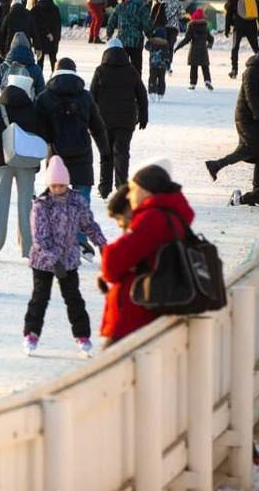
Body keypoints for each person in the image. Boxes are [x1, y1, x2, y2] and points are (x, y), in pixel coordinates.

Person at [99, 162, 194, 346]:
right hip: (149, 313)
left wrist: (114, 250)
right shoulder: (173, 216)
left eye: (133, 189)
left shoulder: (152, 219)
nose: (128, 195)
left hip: (135, 317)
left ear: (146, 191)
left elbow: (111, 264)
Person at [23, 155, 107, 357]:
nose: (58, 189)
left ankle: (83, 336)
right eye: (54, 186)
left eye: (61, 185)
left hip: (68, 261)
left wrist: (101, 243)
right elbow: (40, 238)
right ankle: (31, 334)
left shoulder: (76, 201)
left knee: (73, 298)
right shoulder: (41, 205)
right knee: (40, 298)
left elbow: (88, 225)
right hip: (43, 262)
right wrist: (54, 260)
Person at [0, 75, 42, 258]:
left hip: (1, 161)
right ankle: (29, 247)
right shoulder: (34, 110)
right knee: (26, 205)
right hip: (27, 162)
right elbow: (43, 135)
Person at [206, 42, 259, 191]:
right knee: (250, 149)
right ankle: (216, 165)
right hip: (246, 117)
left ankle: (257, 189)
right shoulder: (252, 71)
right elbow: (250, 97)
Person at [36, 57, 111, 205]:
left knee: (57, 210)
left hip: (56, 158)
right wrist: (105, 151)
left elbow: (38, 130)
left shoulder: (44, 98)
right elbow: (98, 127)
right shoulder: (85, 96)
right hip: (82, 157)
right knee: (81, 211)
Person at [90, 38, 148, 197]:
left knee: (105, 153)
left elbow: (91, 97)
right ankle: (122, 186)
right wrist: (143, 115)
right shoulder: (131, 70)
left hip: (103, 121)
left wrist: (90, 120)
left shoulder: (100, 71)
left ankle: (104, 188)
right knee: (122, 152)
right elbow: (142, 94)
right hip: (126, 120)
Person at [0, 31, 44, 107]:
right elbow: (40, 94)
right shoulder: (36, 69)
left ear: (12, 48)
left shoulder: (3, 67)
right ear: (28, 47)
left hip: (6, 109)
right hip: (28, 110)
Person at [106, 0, 153, 79]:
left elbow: (111, 21)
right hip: (136, 42)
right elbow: (147, 25)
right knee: (136, 67)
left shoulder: (121, 6)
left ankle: (121, 85)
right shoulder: (142, 8)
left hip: (121, 42)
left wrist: (109, 34)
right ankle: (136, 87)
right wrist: (150, 36)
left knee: (121, 65)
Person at [225, 0, 259, 79]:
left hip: (239, 26)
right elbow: (258, 13)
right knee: (255, 48)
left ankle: (234, 69)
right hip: (251, 25)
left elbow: (228, 14)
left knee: (235, 48)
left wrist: (227, 29)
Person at [173, 9, 214, 91]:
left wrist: (178, 47)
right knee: (205, 67)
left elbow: (186, 39)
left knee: (193, 68)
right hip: (203, 50)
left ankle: (192, 84)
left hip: (194, 50)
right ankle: (207, 81)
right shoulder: (205, 27)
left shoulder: (191, 26)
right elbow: (211, 38)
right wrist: (209, 44)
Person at [0, 0, 34, 67]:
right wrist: (38, 47)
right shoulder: (28, 16)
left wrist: (0, 49)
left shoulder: (8, 16)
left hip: (10, 48)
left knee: (10, 68)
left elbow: (2, 34)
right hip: (26, 46)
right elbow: (34, 32)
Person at [31, 0, 62, 73]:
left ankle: (39, 81)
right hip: (52, 40)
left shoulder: (35, 9)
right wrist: (56, 38)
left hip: (39, 39)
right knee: (53, 60)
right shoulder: (55, 9)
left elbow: (33, 25)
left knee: (39, 61)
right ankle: (55, 76)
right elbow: (58, 25)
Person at [145, 27, 170, 100]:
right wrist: (168, 66)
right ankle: (161, 93)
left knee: (152, 78)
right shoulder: (166, 44)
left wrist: (149, 40)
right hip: (162, 66)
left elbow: (146, 47)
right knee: (162, 79)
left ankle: (152, 92)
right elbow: (167, 55)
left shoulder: (152, 42)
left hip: (153, 64)